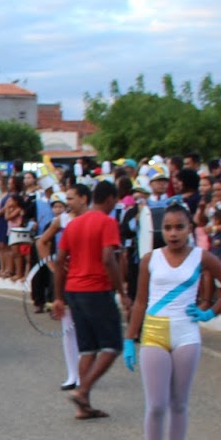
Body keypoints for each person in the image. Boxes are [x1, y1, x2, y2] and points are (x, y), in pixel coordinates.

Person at [123, 204, 221, 440]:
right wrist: (129, 337)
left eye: (179, 227)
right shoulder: (150, 259)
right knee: (156, 405)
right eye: (168, 228)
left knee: (178, 404)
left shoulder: (202, 256)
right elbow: (140, 301)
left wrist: (209, 313)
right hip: (154, 332)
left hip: (186, 333)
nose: (173, 233)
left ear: (190, 228)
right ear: (160, 230)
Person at [51, 180, 127, 420]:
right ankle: (83, 391)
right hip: (96, 289)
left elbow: (60, 261)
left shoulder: (73, 224)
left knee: (88, 349)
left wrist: (58, 296)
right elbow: (108, 258)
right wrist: (122, 291)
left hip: (74, 290)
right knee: (112, 346)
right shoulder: (107, 222)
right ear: (111, 198)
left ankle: (83, 406)